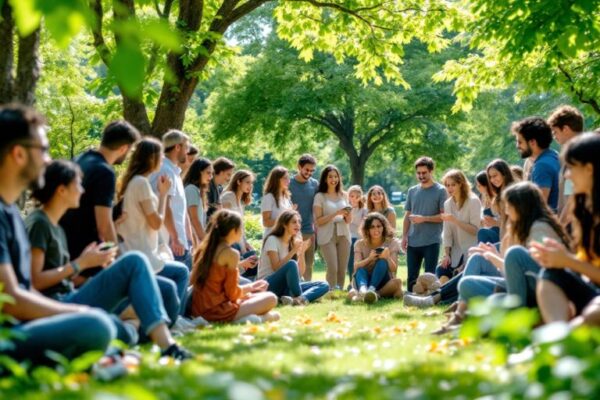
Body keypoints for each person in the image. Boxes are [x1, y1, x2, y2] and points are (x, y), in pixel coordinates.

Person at [26, 160, 194, 357]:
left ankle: (135, 333)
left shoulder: (54, 225)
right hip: (58, 304)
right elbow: (35, 281)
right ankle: (168, 346)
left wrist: (92, 266)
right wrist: (81, 263)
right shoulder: (39, 223)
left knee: (125, 329)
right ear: (61, 190)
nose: (82, 190)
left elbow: (64, 276)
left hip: (70, 293)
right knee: (134, 261)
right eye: (78, 185)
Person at [414, 182, 568, 332]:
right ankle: (461, 313)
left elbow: (532, 273)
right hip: (515, 285)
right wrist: (493, 253)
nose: (506, 212)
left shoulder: (539, 229)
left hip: (533, 293)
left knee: (494, 296)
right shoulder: (522, 227)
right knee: (467, 282)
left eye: (508, 206)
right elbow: (515, 271)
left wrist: (495, 258)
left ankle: (508, 313)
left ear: (521, 206)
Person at [117, 138, 190, 317]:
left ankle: (170, 317)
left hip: (138, 251)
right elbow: (156, 223)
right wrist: (163, 195)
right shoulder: (140, 183)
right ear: (152, 159)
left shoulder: (132, 182)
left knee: (177, 273)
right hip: (142, 254)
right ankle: (174, 319)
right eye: (159, 156)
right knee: (181, 272)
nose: (162, 160)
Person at [532, 133, 600, 325]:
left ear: (589, 169)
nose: (567, 175)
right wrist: (560, 257)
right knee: (550, 273)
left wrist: (568, 261)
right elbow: (588, 268)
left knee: (595, 313)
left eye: (571, 168)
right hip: (591, 291)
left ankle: (560, 342)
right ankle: (559, 335)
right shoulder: (583, 211)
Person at [60, 120, 140, 278]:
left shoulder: (78, 159)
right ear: (124, 148)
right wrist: (118, 259)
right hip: (87, 259)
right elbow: (103, 226)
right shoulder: (105, 172)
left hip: (64, 250)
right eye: (130, 151)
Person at [189, 210, 279, 323]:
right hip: (216, 311)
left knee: (254, 297)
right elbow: (232, 294)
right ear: (233, 231)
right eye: (241, 228)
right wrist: (252, 287)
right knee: (271, 298)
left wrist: (250, 289)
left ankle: (255, 318)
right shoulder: (230, 254)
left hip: (198, 309)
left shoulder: (203, 249)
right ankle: (250, 319)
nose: (242, 231)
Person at [257, 210, 329, 304]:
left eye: (299, 222)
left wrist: (302, 252)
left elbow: (299, 274)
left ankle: (298, 299)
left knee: (324, 284)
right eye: (294, 222)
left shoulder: (292, 242)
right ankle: (299, 297)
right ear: (284, 224)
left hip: (286, 286)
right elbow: (276, 268)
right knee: (291, 264)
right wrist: (293, 251)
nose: (298, 225)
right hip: (268, 285)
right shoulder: (272, 240)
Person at [401, 156, 447, 292]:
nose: (421, 176)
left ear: (431, 171)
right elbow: (407, 216)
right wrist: (404, 236)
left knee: (430, 277)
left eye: (424, 173)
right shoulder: (412, 191)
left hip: (431, 241)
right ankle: (410, 301)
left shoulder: (441, 190)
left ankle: (429, 300)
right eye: (418, 173)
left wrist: (424, 218)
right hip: (413, 241)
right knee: (411, 277)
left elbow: (443, 217)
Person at [150, 130, 194, 270]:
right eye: (186, 147)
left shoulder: (172, 171)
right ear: (177, 147)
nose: (187, 152)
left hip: (177, 241)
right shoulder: (166, 171)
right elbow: (166, 207)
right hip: (171, 243)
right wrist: (175, 238)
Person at [436, 169, 481, 281]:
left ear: (461, 184)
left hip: (470, 250)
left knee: (458, 275)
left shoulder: (473, 201)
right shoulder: (447, 204)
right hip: (455, 252)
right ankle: (439, 290)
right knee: (441, 269)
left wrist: (455, 220)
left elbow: (475, 230)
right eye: (447, 185)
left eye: (453, 185)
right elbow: (447, 232)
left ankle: (439, 292)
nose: (449, 188)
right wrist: (446, 254)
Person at [350, 212, 403, 304]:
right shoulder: (359, 244)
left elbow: (394, 269)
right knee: (360, 270)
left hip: (383, 281)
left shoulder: (392, 243)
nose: (376, 229)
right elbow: (356, 266)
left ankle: (371, 292)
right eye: (372, 227)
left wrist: (388, 257)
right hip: (364, 279)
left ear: (384, 227)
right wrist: (369, 259)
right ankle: (364, 291)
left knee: (394, 278)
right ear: (367, 230)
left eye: (379, 226)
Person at [314, 165, 351, 290]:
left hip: (344, 233)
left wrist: (347, 214)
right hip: (326, 234)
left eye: (336, 176)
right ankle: (330, 291)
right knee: (333, 267)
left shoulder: (344, 195)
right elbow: (318, 221)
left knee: (342, 268)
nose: (333, 179)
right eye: (330, 177)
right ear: (325, 179)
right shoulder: (320, 196)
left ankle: (339, 291)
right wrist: (336, 213)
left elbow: (349, 220)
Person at [512, 116, 560, 211]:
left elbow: (538, 207)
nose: (517, 146)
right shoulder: (554, 155)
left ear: (533, 142)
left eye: (520, 142)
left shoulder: (542, 166)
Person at [547, 105, 584, 226]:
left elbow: (572, 198)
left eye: (555, 132)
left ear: (566, 129)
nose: (554, 137)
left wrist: (560, 227)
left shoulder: (578, 155)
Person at [222, 170, 259, 279]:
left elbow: (240, 226)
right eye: (247, 182)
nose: (250, 186)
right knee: (237, 270)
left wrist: (246, 242)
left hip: (240, 241)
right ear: (238, 182)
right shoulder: (228, 196)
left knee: (253, 261)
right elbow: (224, 221)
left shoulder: (241, 201)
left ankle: (250, 290)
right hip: (231, 242)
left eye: (251, 183)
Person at [289, 154, 319, 281]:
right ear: (299, 167)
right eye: (307, 170)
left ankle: (307, 289)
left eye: (312, 170)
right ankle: (293, 289)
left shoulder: (314, 184)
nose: (309, 173)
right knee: (292, 262)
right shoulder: (289, 183)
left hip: (308, 230)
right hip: (292, 231)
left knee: (308, 263)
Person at [477, 159, 516, 244]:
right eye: (490, 177)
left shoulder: (514, 193)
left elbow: (517, 223)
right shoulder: (498, 195)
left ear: (504, 174)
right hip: (502, 238)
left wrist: (496, 223)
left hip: (513, 241)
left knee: (482, 234)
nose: (492, 180)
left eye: (495, 175)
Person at [184, 158, 213, 243]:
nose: (211, 177)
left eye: (211, 174)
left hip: (195, 239)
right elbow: (194, 219)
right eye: (208, 173)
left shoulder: (197, 190)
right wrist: (205, 240)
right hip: (192, 240)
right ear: (199, 172)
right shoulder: (191, 190)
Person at [261, 166, 292, 238]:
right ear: (276, 180)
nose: (288, 181)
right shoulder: (268, 197)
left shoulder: (286, 197)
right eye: (285, 178)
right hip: (272, 238)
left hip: (284, 238)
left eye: (288, 178)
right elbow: (266, 222)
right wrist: (285, 219)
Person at [347, 185, 367, 287]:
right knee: (350, 263)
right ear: (348, 196)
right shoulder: (346, 208)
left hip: (358, 239)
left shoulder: (364, 210)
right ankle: (352, 282)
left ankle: (358, 282)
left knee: (358, 262)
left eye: (357, 196)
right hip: (347, 238)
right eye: (352, 196)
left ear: (360, 197)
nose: (354, 198)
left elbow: (362, 225)